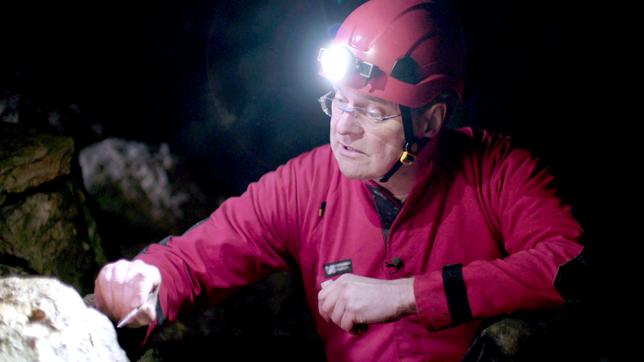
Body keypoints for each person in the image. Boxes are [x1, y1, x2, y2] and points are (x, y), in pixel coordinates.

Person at [93, 0, 585, 360]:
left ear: (432, 121)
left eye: (372, 112)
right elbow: (204, 254)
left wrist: (409, 294)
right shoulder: (308, 184)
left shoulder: (497, 170)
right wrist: (149, 279)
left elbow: (570, 268)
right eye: (339, 102)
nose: (343, 128)